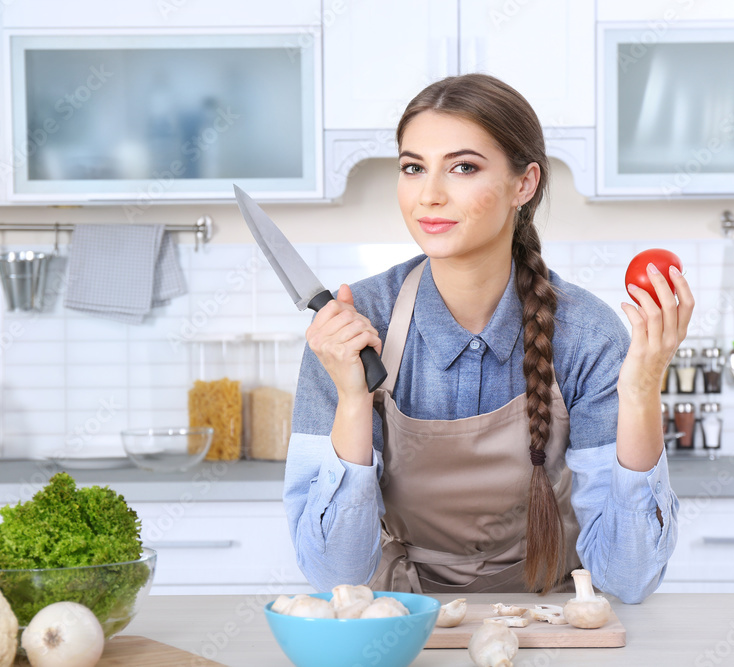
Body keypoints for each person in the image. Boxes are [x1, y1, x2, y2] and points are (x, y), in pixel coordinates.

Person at [284, 73, 693, 601]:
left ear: (524, 184)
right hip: (402, 627)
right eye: (413, 168)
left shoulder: (587, 334)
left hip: (551, 625)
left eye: (462, 167)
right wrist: (351, 399)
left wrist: (641, 392)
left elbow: (629, 578)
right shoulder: (353, 326)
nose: (428, 195)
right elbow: (334, 574)